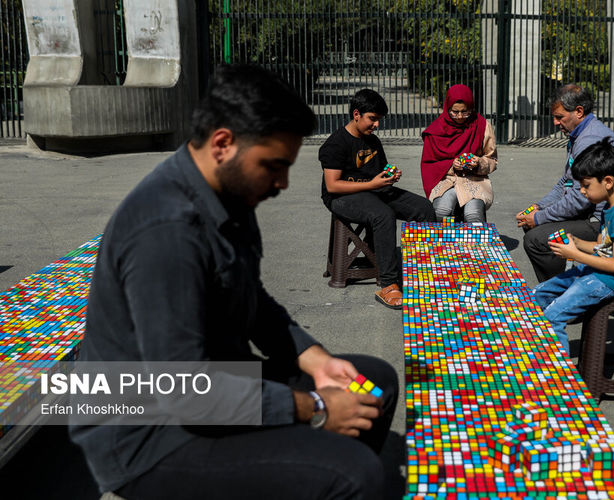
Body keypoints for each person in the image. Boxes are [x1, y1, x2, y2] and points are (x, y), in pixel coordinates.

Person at [69, 65, 398, 500]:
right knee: (355, 473)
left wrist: (314, 358)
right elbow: (183, 389)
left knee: (372, 383)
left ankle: (308, 472)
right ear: (223, 144)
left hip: (215, 383)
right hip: (149, 434)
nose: (282, 183)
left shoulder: (227, 194)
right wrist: (314, 408)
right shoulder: (167, 231)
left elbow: (251, 298)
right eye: (273, 166)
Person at [319, 89, 436, 310]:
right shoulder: (336, 144)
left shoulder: (372, 141)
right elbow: (333, 185)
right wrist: (372, 184)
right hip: (341, 196)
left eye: (379, 120)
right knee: (383, 215)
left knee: (424, 208)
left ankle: (423, 269)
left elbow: (379, 171)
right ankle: (388, 284)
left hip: (373, 190)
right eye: (372, 119)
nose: (376, 125)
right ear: (356, 114)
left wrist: (390, 176)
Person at [532, 138, 614, 355]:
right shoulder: (611, 206)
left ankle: (558, 372)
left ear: (607, 181)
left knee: (552, 317)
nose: (583, 191)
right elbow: (601, 246)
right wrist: (576, 242)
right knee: (535, 295)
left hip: (609, 280)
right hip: (596, 271)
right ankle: (530, 349)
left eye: (586, 186)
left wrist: (575, 254)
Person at [516, 84, 614, 283]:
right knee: (533, 226)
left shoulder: (590, 139)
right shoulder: (579, 134)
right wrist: (539, 207)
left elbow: (580, 198)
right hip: (590, 210)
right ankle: (558, 286)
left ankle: (561, 288)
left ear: (579, 112)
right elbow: (566, 182)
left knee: (535, 239)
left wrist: (539, 218)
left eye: (559, 117)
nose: (555, 122)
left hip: (601, 220)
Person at [420, 84, 498, 222]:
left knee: (473, 214)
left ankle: (475, 237)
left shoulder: (482, 126)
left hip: (475, 180)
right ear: (447, 108)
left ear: (471, 108)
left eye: (465, 111)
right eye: (455, 112)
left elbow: (492, 159)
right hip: (446, 180)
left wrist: (479, 163)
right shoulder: (436, 130)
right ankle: (444, 237)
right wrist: (451, 165)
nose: (460, 116)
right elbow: (429, 163)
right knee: (441, 211)